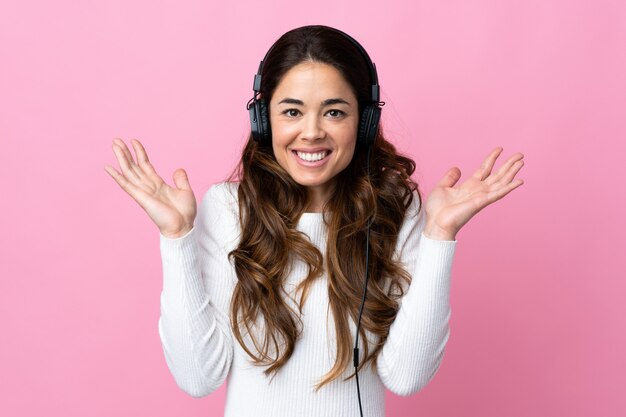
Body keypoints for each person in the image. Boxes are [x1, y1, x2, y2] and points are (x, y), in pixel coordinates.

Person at [104, 25, 524, 417]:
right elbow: (198, 378)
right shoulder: (228, 209)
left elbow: (407, 377)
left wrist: (440, 236)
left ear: (365, 121)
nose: (311, 132)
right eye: (291, 111)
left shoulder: (395, 209)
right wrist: (176, 238)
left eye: (334, 113)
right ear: (263, 119)